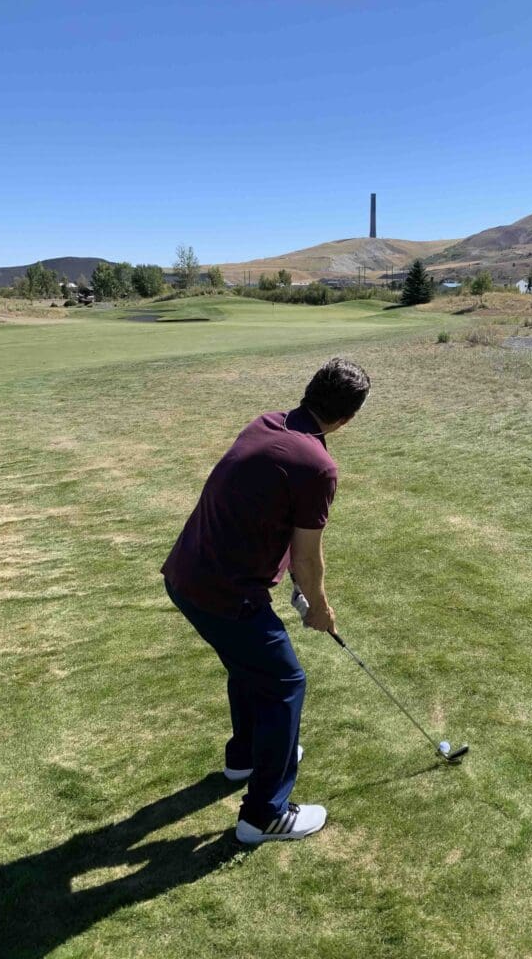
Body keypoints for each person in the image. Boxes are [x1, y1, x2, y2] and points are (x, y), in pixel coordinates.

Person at [161, 357, 371, 844]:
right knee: (284, 683)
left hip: (185, 575)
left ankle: (246, 757)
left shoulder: (266, 422)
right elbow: (307, 556)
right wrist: (319, 607)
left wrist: (301, 590)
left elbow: (268, 515)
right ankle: (264, 815)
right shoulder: (318, 466)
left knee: (250, 668)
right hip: (223, 592)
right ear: (348, 418)